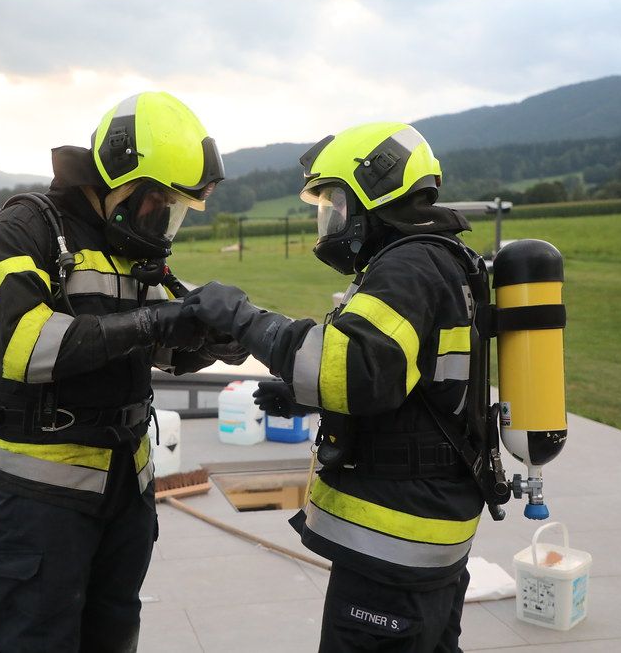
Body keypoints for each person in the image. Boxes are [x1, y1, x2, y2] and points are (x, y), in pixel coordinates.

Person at [182, 122, 485, 652]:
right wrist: (304, 394)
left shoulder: (408, 266)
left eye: (336, 202)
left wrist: (243, 317)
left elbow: (351, 369)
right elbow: (404, 384)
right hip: (428, 539)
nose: (332, 219)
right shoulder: (442, 261)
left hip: (393, 546)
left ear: (375, 192)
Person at [0, 91, 246, 652]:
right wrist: (152, 322)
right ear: (122, 177)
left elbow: (154, 347)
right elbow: (20, 346)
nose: (164, 219)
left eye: (177, 208)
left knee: (114, 634)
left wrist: (216, 338)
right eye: (160, 202)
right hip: (43, 496)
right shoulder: (27, 228)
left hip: (125, 488)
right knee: (36, 638)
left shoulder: (129, 248)